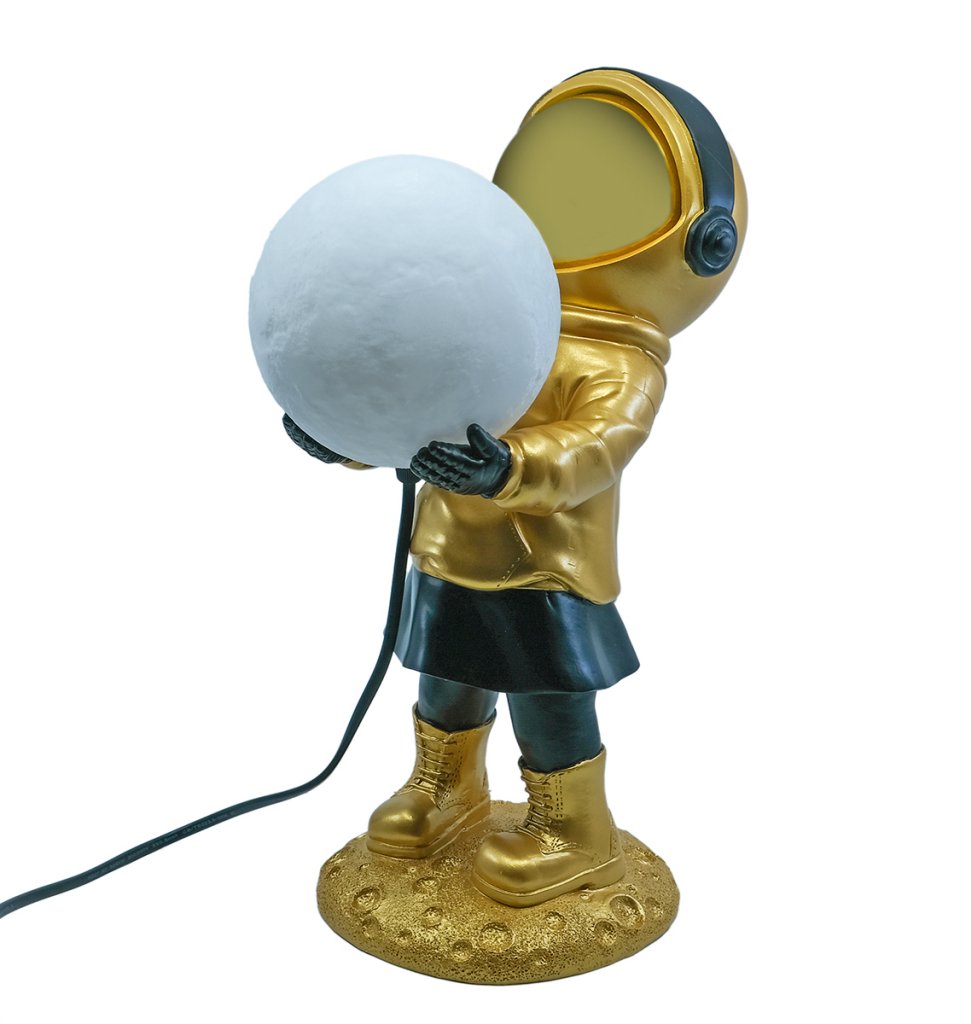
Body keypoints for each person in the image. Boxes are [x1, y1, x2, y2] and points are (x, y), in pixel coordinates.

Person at [284, 68, 747, 908]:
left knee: (548, 701)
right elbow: (415, 403)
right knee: (444, 679)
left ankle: (576, 829)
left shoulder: (621, 362)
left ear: (701, 242)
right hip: (449, 550)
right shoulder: (487, 311)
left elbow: (598, 446)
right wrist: (347, 433)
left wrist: (509, 468)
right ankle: (445, 787)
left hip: (545, 570)